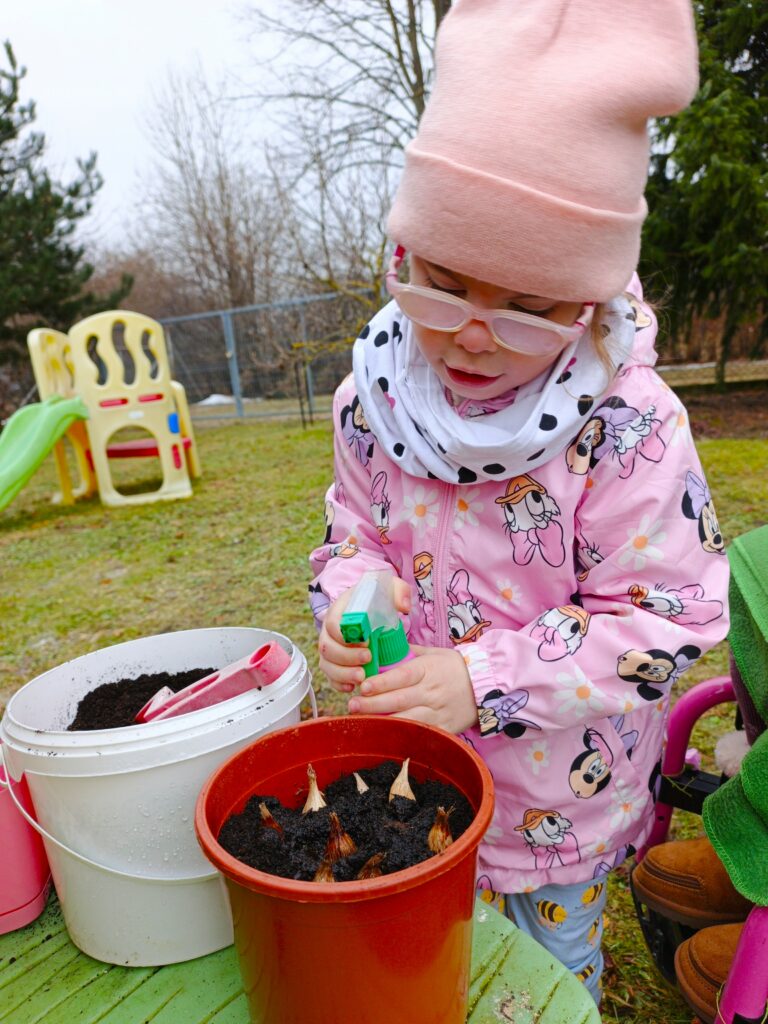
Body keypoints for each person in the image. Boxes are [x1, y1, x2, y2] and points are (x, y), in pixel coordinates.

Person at [308, 0, 729, 1002]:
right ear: (404, 252)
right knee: (438, 959)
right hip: (424, 772)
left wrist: (484, 677)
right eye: (442, 285)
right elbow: (351, 528)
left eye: (527, 307)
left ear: (590, 298)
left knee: (543, 980)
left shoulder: (627, 429)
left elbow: (668, 615)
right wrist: (353, 593)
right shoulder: (374, 399)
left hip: (560, 804)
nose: (471, 336)